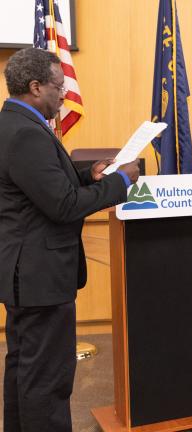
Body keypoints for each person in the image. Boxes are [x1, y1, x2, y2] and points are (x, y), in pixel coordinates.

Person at [0, 48, 140, 431]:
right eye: (59, 86)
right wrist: (120, 181)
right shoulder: (26, 134)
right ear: (35, 87)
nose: (64, 94)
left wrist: (86, 175)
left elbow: (42, 185)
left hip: (27, 276)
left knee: (25, 367)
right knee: (46, 377)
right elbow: (62, 206)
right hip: (39, 277)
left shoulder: (15, 124)